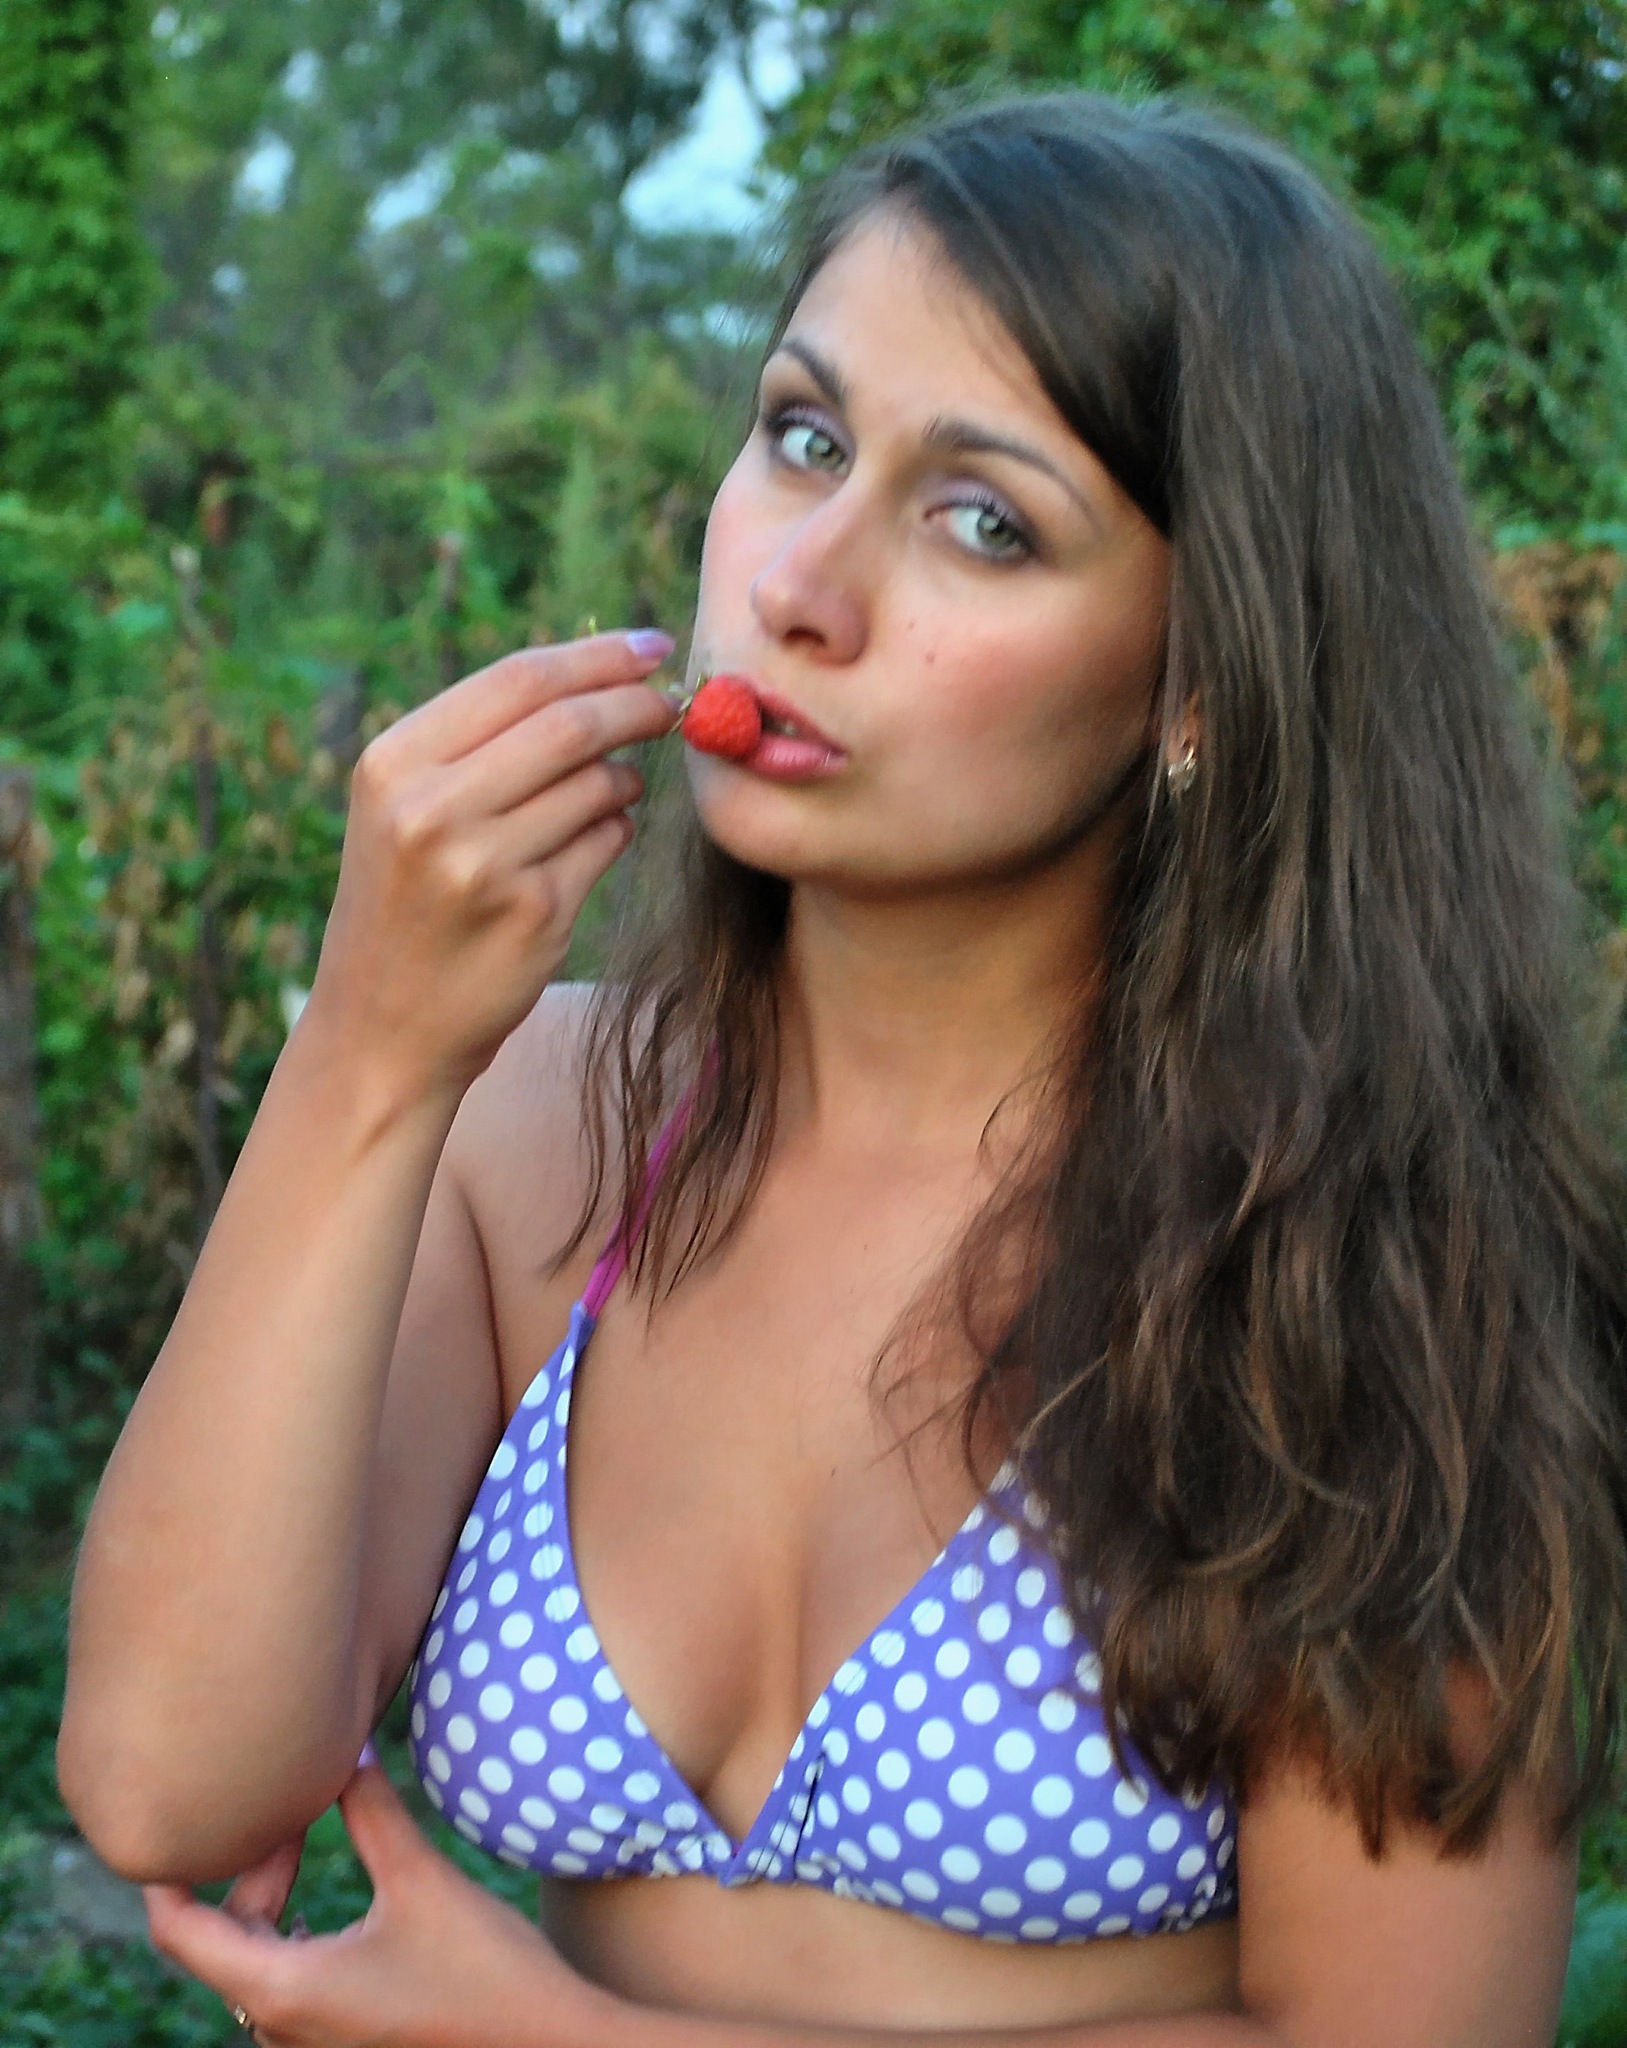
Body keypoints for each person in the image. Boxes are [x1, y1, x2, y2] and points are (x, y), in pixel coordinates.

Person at [57, 89, 1627, 2048]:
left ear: (1203, 686)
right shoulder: (541, 1126)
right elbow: (169, 1788)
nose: (800, 581)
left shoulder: (1355, 1259)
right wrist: (366, 1054)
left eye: (984, 521)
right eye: (803, 434)